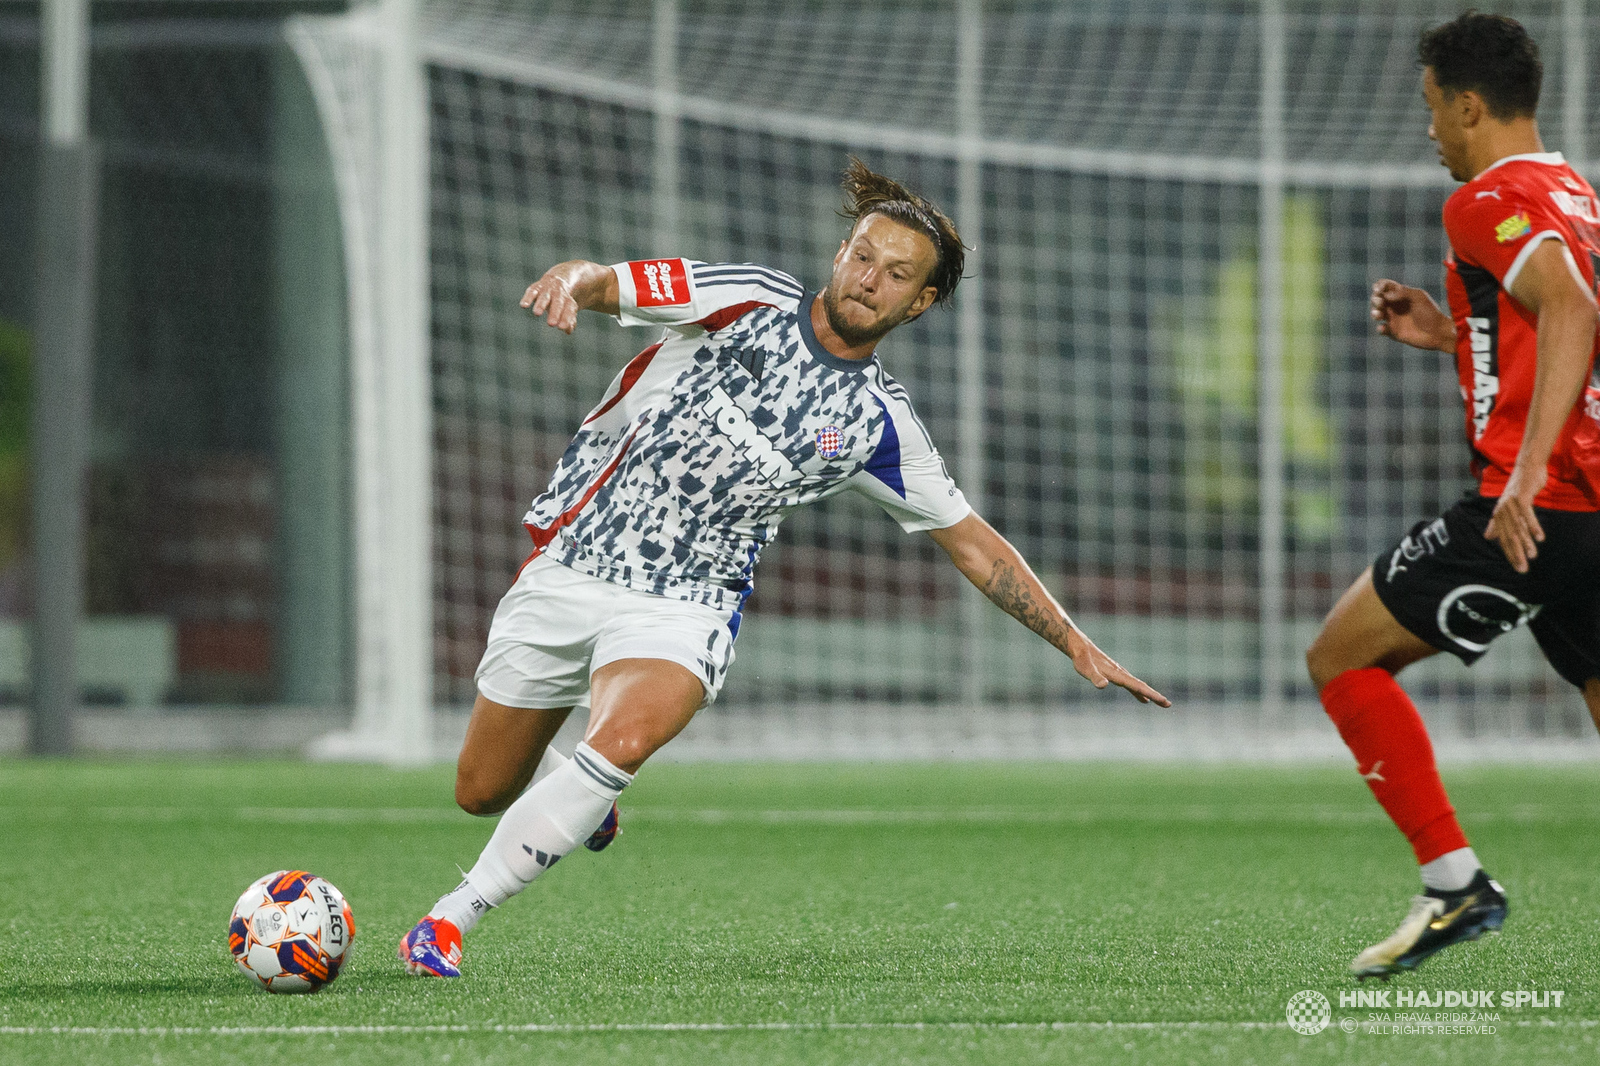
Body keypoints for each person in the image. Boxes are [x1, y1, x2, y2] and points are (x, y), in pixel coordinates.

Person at [399, 160, 1171, 977]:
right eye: (864, 257)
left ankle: (449, 920)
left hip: (689, 604)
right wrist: (572, 280)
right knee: (482, 789)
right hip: (578, 559)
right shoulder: (748, 298)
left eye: (898, 275)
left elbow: (974, 544)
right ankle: (582, 800)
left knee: (623, 739)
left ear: (923, 302)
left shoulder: (877, 423)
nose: (872, 280)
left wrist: (1075, 642)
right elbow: (618, 282)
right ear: (841, 252)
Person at [1306, 12, 1600, 979]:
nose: (1428, 127)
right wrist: (1452, 335)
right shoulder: (1575, 192)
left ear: (1469, 104)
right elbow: (1558, 329)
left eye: (1433, 107)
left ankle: (1454, 885)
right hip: (1591, 507)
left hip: (1538, 507)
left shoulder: (1485, 199)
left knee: (1341, 657)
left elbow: (1572, 310)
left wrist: (1521, 477)